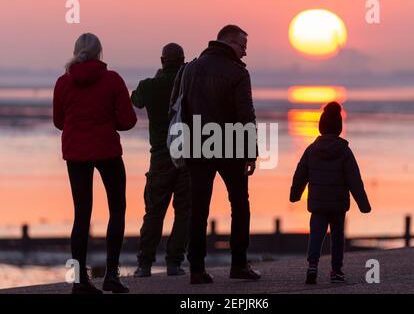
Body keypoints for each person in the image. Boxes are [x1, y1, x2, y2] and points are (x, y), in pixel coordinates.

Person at [173, 25, 261, 284]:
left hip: (196, 145)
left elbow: (178, 107)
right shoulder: (237, 73)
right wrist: (250, 152)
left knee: (198, 208)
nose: (245, 53)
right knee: (239, 204)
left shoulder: (189, 68)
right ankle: (239, 265)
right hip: (230, 146)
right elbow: (246, 116)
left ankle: (196, 270)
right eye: (242, 46)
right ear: (230, 42)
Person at [53, 33, 137, 294]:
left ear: (76, 51)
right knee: (117, 209)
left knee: (81, 215)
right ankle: (111, 276)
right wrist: (108, 121)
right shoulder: (112, 80)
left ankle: (80, 282)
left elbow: (59, 122)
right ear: (99, 53)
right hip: (107, 152)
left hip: (76, 154)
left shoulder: (63, 83)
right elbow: (128, 121)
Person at [289, 102, 372, 285]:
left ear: (321, 126)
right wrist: (363, 204)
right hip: (338, 204)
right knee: (337, 237)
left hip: (318, 204)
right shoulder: (345, 151)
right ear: (340, 128)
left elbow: (300, 174)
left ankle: (312, 266)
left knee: (316, 235)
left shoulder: (311, 150)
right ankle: (336, 271)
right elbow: (355, 180)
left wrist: (295, 194)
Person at [131, 43, 191, 277]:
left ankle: (144, 264)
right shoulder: (190, 85)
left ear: (162, 60)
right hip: (186, 156)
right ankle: (174, 263)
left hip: (159, 157)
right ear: (183, 60)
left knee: (154, 211)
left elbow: (135, 100)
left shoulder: (149, 86)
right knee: (184, 212)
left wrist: (157, 79)